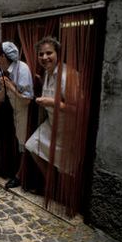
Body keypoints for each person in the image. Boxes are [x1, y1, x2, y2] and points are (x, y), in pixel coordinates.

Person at [25, 36, 71, 179]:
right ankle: (51, 183)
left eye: (49, 53)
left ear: (58, 53)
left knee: (65, 168)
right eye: (41, 54)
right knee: (32, 145)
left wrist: (51, 102)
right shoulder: (47, 73)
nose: (44, 57)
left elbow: (77, 109)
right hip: (52, 124)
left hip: (68, 129)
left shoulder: (66, 76)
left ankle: (62, 193)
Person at [0, 42, 34, 188]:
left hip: (24, 109)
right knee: (18, 141)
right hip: (12, 109)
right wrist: (3, 89)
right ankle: (17, 173)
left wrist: (11, 86)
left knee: (24, 143)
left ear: (3, 56)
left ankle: (20, 176)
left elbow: (27, 99)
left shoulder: (22, 69)